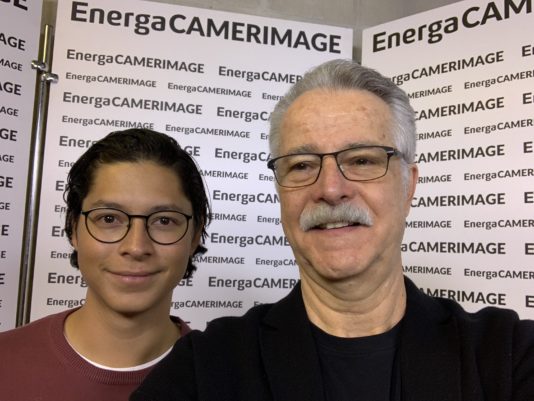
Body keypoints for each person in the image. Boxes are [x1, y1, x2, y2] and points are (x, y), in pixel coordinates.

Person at [131, 60, 534, 401]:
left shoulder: (509, 356)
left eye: (361, 160)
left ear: (408, 185)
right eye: (302, 165)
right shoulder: (206, 368)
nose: (329, 189)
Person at [0, 128, 210, 401]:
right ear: (74, 229)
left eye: (164, 221)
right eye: (109, 219)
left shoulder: (224, 378)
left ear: (194, 237)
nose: (136, 247)